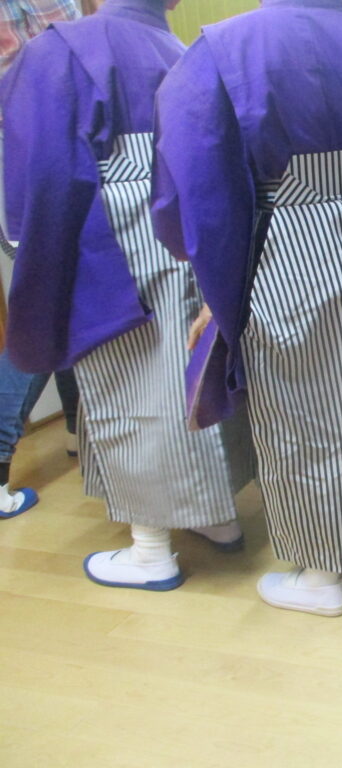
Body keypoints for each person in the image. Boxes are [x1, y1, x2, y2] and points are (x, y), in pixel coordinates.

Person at [152, 0, 342, 617]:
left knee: (301, 406)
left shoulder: (221, 47)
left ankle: (322, 573)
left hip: (288, 231)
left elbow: (196, 179)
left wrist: (214, 280)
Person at [2, 0, 254, 589]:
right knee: (191, 374)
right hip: (191, 222)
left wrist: (33, 245)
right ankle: (216, 517)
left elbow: (45, 167)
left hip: (115, 233)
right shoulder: (186, 49)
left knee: (131, 386)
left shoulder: (65, 47)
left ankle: (151, 550)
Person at [0, 0, 82, 518]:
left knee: (71, 299)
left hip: (28, 156)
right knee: (41, 314)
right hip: (34, 156)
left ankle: (77, 430)